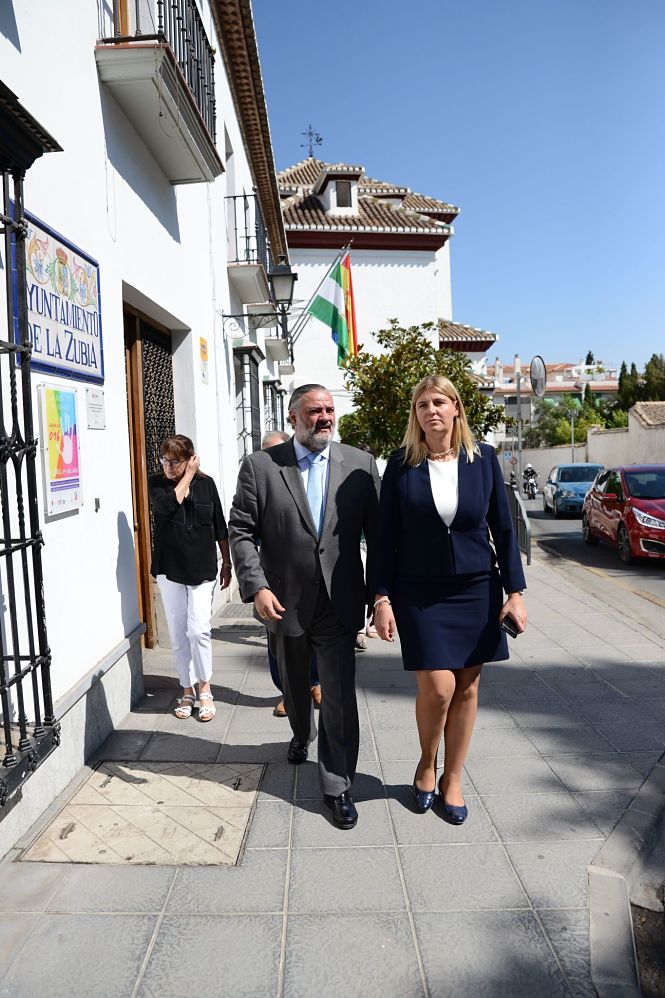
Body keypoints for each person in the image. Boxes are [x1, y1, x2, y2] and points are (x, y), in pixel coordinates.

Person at [373, 375, 527, 823]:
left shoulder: (484, 460)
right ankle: (426, 763)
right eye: (422, 404)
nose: (431, 411)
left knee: (467, 687)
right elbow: (385, 538)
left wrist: (515, 593)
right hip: (418, 592)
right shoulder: (401, 464)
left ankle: (452, 778)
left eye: (439, 402)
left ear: (456, 408)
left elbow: (504, 527)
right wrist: (381, 597)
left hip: (476, 588)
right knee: (438, 687)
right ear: (415, 415)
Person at [230, 385, 380, 829]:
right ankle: (300, 733)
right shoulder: (260, 467)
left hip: (340, 602)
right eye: (315, 411)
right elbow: (240, 530)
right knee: (296, 689)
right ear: (294, 417)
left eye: (330, 410)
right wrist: (256, 587)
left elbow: (379, 534)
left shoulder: (359, 464)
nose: (325, 418)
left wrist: (381, 595)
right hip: (284, 601)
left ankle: (337, 786)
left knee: (337, 695)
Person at [149, 435, 232, 722]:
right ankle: (186, 689)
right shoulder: (156, 484)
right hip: (170, 568)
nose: (169, 466)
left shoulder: (206, 485)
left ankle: (205, 688)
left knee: (198, 630)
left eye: (176, 461)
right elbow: (168, 507)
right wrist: (188, 475)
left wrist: (228, 562)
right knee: (178, 631)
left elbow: (220, 524)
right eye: (165, 460)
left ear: (190, 459)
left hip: (202, 568)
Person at [261, 430, 321, 717]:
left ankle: (314, 684)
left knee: (312, 640)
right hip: (276, 581)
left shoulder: (308, 475)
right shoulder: (258, 477)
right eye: (265, 452)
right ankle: (287, 691)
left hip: (313, 578)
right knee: (277, 644)